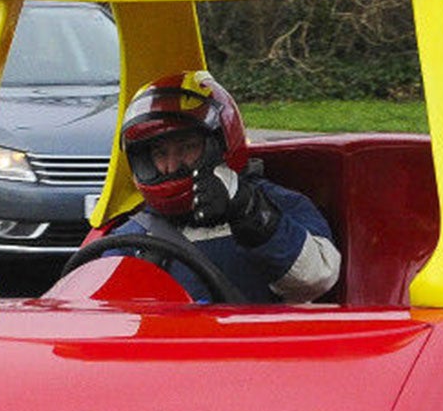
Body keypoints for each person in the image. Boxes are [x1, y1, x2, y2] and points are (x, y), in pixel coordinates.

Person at [111, 70, 341, 303]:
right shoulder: (135, 233)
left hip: (257, 337)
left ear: (221, 143)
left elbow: (318, 278)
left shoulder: (280, 205)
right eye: (160, 153)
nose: (171, 166)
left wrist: (250, 214)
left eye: (186, 147)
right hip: (175, 338)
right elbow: (99, 308)